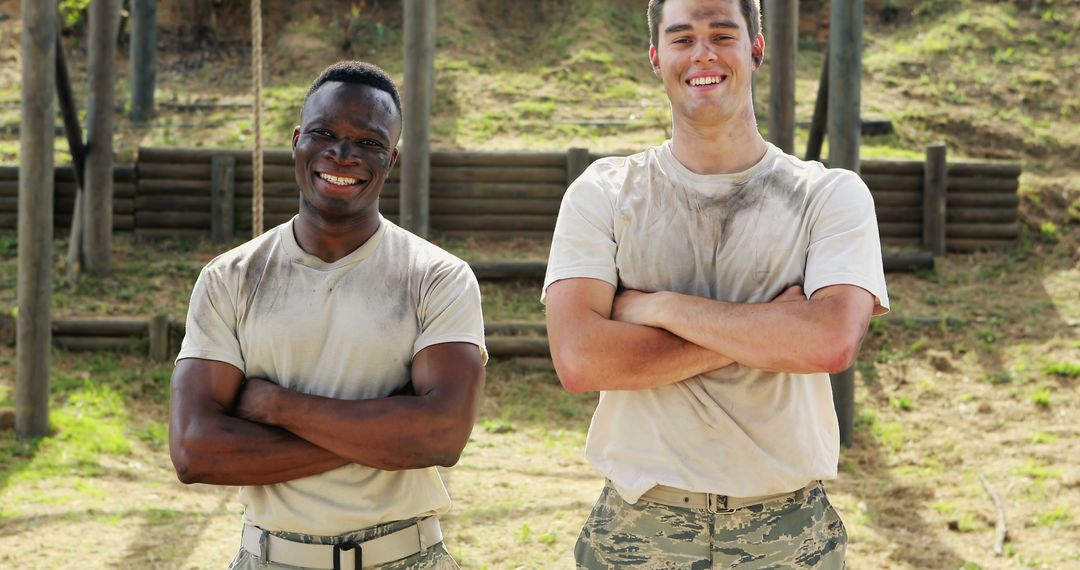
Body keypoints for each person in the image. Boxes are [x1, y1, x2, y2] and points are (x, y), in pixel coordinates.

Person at [542, 0, 889, 567]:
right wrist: (771, 329)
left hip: (788, 528)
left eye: (722, 34)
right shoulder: (602, 193)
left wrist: (658, 307)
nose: (703, 52)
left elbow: (829, 343)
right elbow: (581, 360)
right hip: (640, 527)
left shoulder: (829, 196)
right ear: (656, 57)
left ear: (756, 48)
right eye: (682, 38)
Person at [169, 60, 486, 570]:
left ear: (392, 158)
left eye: (369, 143)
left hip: (406, 557)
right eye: (325, 133)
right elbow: (194, 452)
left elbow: (441, 437)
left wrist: (275, 405)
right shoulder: (231, 277)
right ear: (297, 140)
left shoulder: (437, 276)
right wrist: (388, 432)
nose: (343, 154)